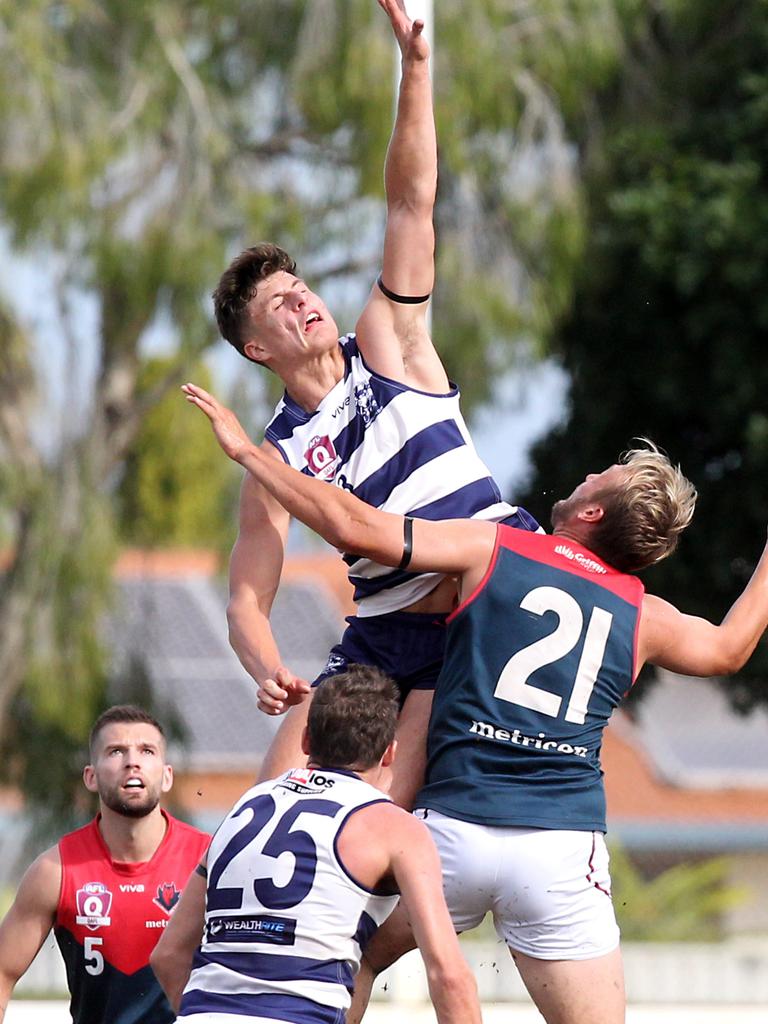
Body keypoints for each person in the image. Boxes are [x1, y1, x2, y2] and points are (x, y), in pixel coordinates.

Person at [181, 384, 768, 1024]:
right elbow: (731, 648)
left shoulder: (496, 546)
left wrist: (252, 455)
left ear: (593, 513)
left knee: (362, 962)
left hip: (454, 832)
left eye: (603, 475)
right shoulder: (642, 612)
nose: (591, 471)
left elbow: (356, 527)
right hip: (557, 847)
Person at [213, 0, 540, 806]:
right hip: (387, 631)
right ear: (259, 350)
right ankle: (207, 930)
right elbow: (248, 599)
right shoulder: (277, 457)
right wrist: (268, 671)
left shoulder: (388, 342)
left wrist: (416, 69)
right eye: (278, 309)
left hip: (482, 584)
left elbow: (408, 204)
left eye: (300, 288)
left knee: (393, 810)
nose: (301, 304)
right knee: (275, 793)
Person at [150, 667, 481, 1024]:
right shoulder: (393, 826)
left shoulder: (245, 807)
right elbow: (449, 976)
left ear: (306, 741)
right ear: (389, 753)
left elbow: (168, 955)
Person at [0, 705, 210, 1024]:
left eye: (147, 750)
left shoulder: (210, 859)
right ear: (91, 777)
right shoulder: (56, 870)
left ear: (167, 776)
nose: (132, 761)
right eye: (116, 751)